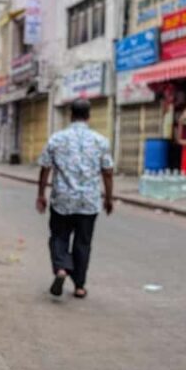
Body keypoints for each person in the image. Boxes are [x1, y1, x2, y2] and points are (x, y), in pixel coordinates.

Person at [36, 99, 114, 299]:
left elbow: (45, 168)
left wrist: (41, 194)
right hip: (89, 201)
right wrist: (109, 198)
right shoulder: (100, 140)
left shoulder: (57, 139)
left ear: (71, 114)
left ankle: (61, 268)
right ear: (89, 116)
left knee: (59, 237)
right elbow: (107, 172)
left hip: (62, 199)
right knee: (83, 242)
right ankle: (79, 285)